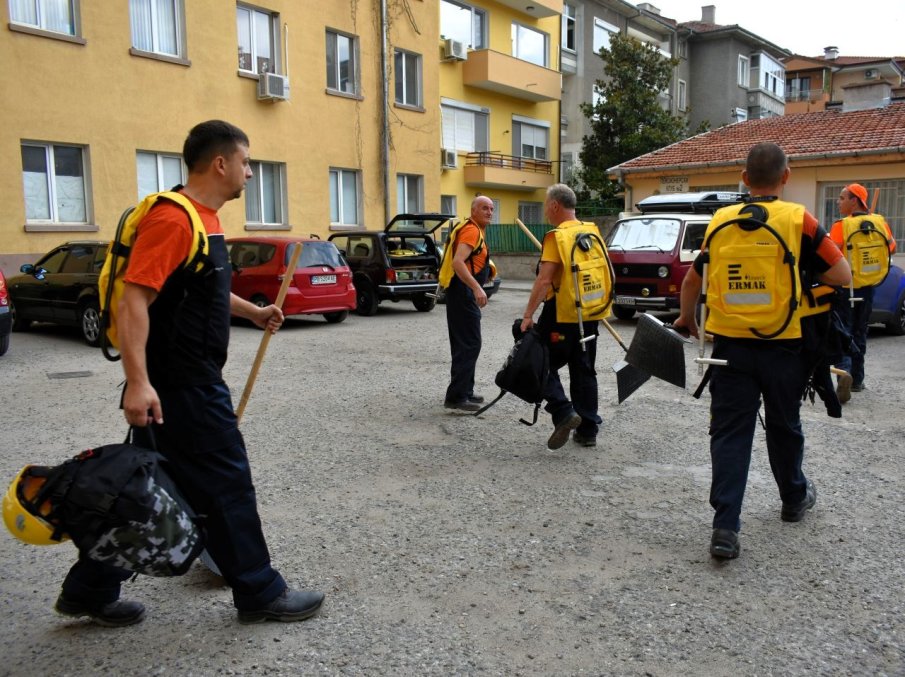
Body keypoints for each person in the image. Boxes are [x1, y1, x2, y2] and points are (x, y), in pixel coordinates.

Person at [55, 120, 324, 626]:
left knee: (145, 488)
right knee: (228, 484)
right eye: (246, 162)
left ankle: (89, 589)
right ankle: (259, 591)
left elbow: (204, 289)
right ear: (220, 164)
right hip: (183, 387)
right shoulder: (173, 220)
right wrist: (139, 382)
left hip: (180, 385)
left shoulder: (203, 220)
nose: (250, 172)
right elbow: (134, 299)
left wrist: (254, 312)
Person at [674, 143, 851, 560]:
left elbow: (693, 280)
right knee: (784, 423)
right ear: (786, 177)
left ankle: (725, 528)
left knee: (730, 433)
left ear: (744, 178)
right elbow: (842, 274)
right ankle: (793, 498)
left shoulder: (721, 221)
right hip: (785, 346)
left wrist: (687, 318)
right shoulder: (799, 220)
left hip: (729, 348)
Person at [520, 184, 603, 450]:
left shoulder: (557, 237)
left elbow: (544, 280)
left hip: (561, 314)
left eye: (546, 205)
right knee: (584, 369)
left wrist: (528, 315)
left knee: (537, 360)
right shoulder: (591, 231)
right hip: (589, 313)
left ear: (555, 205)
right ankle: (587, 431)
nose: (546, 210)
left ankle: (563, 411)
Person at [829, 183, 896, 402]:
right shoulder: (880, 222)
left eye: (842, 198)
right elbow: (892, 248)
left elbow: (831, 255)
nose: (838, 202)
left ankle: (844, 372)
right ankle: (857, 380)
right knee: (860, 332)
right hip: (868, 287)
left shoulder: (842, 226)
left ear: (855, 201)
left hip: (845, 289)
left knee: (842, 332)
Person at [444, 195, 494, 412]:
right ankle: (457, 397)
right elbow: (458, 262)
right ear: (473, 210)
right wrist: (476, 287)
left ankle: (465, 391)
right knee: (470, 343)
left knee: (465, 343)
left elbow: (471, 260)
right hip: (462, 293)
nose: (489, 212)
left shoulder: (475, 230)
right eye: (484, 208)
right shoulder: (472, 230)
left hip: (462, 293)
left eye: (491, 209)